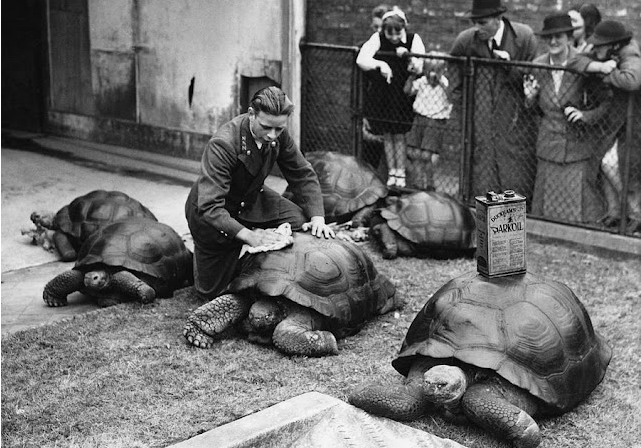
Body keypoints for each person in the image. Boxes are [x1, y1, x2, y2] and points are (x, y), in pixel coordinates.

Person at [185, 86, 335, 301]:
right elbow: (210, 207)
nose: (273, 136)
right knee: (213, 294)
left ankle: (278, 276)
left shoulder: (276, 133)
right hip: (212, 215)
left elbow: (302, 173)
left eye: (279, 129)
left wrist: (318, 218)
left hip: (251, 199)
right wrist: (251, 236)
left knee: (301, 222)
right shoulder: (223, 144)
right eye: (266, 127)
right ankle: (213, 258)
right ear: (251, 114)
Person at [524, 12, 611, 223]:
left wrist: (586, 115)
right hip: (548, 144)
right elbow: (533, 110)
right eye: (549, 37)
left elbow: (606, 103)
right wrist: (529, 99)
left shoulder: (583, 64)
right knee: (547, 216)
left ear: (569, 37)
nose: (553, 42)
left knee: (577, 215)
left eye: (559, 37)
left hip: (577, 145)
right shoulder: (538, 64)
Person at [448, 0, 538, 202]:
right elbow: (455, 78)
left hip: (514, 121)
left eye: (483, 22)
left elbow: (534, 79)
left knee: (514, 177)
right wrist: (463, 113)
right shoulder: (466, 41)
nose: (477, 28)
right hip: (481, 120)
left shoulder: (523, 38)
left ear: (498, 19)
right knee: (482, 176)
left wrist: (510, 66)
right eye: (475, 22)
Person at [568, 20, 641, 233]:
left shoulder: (630, 55)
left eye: (600, 44)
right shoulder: (607, 54)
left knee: (624, 168)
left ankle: (635, 214)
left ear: (614, 45)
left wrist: (607, 74)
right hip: (618, 123)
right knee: (606, 163)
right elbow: (573, 60)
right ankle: (616, 213)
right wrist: (599, 65)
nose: (595, 48)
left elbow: (632, 80)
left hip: (635, 124)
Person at [357, 6, 426, 188]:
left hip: (402, 93)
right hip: (384, 93)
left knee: (400, 134)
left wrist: (410, 58)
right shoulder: (377, 38)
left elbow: (419, 66)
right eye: (390, 34)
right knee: (387, 134)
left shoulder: (413, 39)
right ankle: (392, 172)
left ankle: (401, 173)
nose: (394, 38)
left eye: (398, 33)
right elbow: (361, 59)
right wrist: (380, 64)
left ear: (404, 28)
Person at [403, 52, 452, 190]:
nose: (432, 74)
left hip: (435, 120)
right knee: (413, 152)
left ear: (442, 71)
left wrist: (442, 84)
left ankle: (430, 183)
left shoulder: (444, 83)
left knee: (427, 155)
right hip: (420, 117)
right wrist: (412, 76)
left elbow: (451, 98)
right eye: (429, 70)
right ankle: (417, 183)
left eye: (436, 71)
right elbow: (407, 91)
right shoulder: (422, 81)